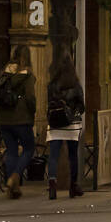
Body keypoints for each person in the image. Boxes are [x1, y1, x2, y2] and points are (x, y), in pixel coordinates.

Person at [0, 45, 37, 200]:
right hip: (22, 119)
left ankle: (12, 187)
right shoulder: (27, 76)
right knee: (29, 148)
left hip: (4, 119)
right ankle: (15, 177)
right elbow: (31, 98)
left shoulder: (4, 73)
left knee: (11, 151)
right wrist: (33, 112)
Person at [45, 52, 85, 200]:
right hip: (72, 124)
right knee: (72, 155)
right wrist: (74, 112)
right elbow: (82, 106)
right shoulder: (75, 84)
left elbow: (49, 103)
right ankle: (73, 185)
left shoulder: (52, 85)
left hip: (55, 123)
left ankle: (52, 183)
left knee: (54, 155)